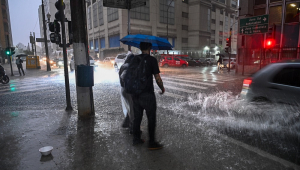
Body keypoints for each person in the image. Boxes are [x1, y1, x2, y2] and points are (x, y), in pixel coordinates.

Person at [131, 42, 165, 150]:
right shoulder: (152, 60)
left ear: (140, 48)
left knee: (137, 117)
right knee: (151, 118)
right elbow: (157, 78)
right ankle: (152, 143)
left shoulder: (134, 59)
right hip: (147, 94)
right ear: (149, 48)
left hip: (135, 94)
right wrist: (162, 88)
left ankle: (136, 139)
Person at [119, 51, 135, 134]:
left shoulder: (123, 65)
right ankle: (132, 127)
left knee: (130, 107)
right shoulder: (129, 67)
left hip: (123, 89)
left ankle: (127, 122)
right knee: (132, 108)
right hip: (128, 90)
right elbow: (123, 76)